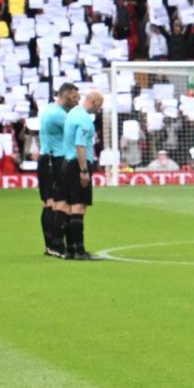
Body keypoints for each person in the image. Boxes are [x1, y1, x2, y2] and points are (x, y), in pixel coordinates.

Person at [36, 82, 76, 259]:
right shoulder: (58, 115)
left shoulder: (49, 109)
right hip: (55, 160)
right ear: (65, 94)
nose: (76, 101)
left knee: (49, 203)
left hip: (46, 158)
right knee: (59, 204)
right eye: (74, 97)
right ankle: (58, 246)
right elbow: (74, 132)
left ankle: (50, 245)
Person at [65, 89, 106, 260]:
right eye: (100, 105)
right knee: (79, 207)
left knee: (70, 207)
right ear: (94, 102)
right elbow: (80, 145)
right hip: (78, 163)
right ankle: (80, 251)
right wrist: (83, 170)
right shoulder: (84, 120)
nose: (99, 109)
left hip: (68, 162)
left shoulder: (73, 112)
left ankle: (70, 250)